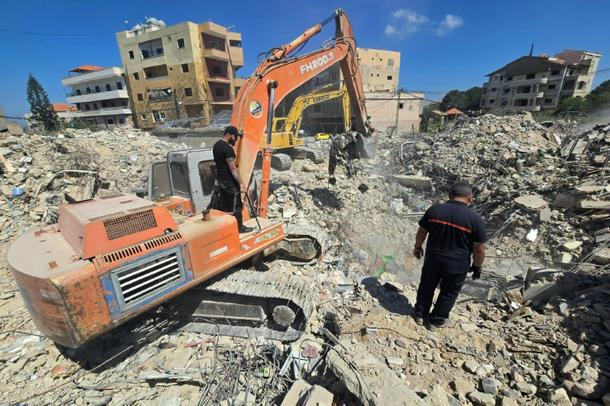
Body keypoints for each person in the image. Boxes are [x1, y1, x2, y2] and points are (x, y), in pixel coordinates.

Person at [412, 181, 487, 329]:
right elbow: (479, 249)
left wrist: (417, 247)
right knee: (449, 292)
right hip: (457, 265)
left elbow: (422, 231)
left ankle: (420, 315)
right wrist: (477, 266)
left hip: (433, 259)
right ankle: (436, 321)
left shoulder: (435, 210)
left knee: (427, 286)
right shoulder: (475, 219)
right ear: (470, 198)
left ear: (449, 195)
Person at [212, 125, 253, 233]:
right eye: (235, 137)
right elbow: (233, 169)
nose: (236, 139)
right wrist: (242, 184)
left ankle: (227, 227)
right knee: (236, 206)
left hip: (221, 181)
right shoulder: (228, 149)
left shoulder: (216, 145)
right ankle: (239, 227)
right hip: (229, 183)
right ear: (229, 135)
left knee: (225, 206)